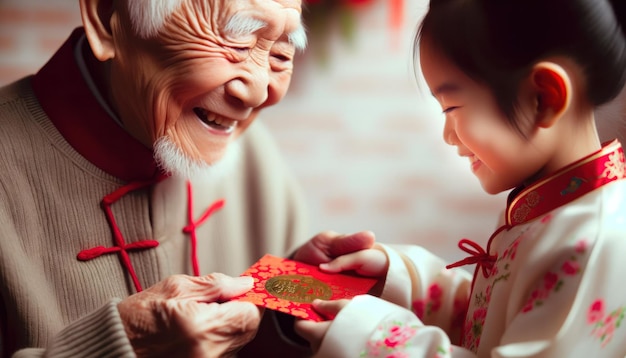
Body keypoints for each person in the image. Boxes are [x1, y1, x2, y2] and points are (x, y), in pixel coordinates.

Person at [0, 0, 376, 356]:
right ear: (107, 18)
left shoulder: (250, 153)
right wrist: (124, 345)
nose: (260, 91)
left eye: (280, 52)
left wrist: (279, 316)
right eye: (238, 41)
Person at [293, 0, 626, 356]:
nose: (448, 136)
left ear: (543, 97)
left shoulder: (593, 241)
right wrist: (396, 277)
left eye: (452, 109)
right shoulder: (549, 210)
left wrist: (373, 337)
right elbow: (493, 319)